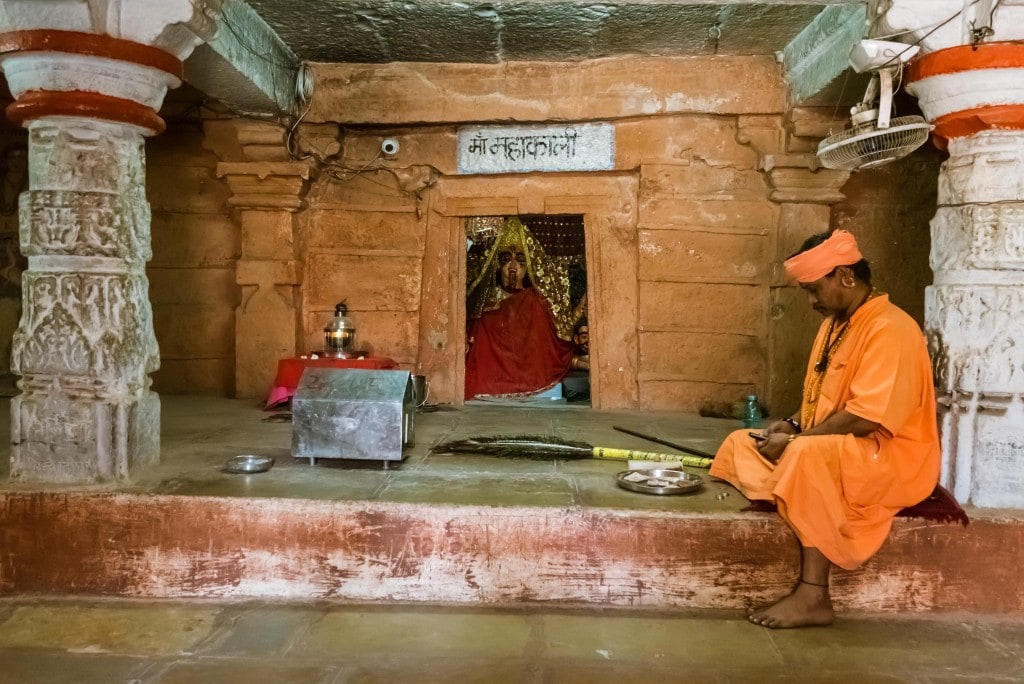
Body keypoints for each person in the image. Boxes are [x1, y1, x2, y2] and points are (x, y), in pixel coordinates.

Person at [709, 229, 940, 629]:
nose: (812, 301)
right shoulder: (837, 324)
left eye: (814, 290)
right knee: (741, 442)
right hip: (834, 447)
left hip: (889, 457)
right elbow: (827, 395)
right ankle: (798, 490)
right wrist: (793, 422)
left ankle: (813, 594)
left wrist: (796, 441)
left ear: (846, 277)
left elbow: (867, 417)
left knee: (803, 455)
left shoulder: (891, 328)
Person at [464, 217, 574, 399]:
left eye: (520, 260)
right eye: (506, 259)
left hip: (533, 376)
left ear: (529, 266)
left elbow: (546, 346)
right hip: (489, 380)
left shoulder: (537, 302)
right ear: (497, 265)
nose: (513, 266)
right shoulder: (484, 304)